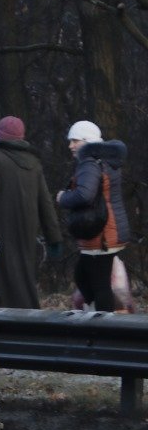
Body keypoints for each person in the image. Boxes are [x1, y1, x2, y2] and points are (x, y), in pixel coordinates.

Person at [0, 115, 63, 308]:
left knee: (2, 278)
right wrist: (54, 237)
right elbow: (45, 202)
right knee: (22, 276)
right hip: (27, 229)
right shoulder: (34, 161)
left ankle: (12, 324)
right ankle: (25, 318)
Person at [56, 120, 130, 313]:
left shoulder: (89, 162)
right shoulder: (107, 160)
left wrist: (63, 197)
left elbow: (84, 195)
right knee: (84, 275)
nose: (70, 146)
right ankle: (101, 314)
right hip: (109, 229)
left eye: (75, 141)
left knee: (98, 283)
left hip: (100, 233)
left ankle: (105, 327)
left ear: (88, 141)